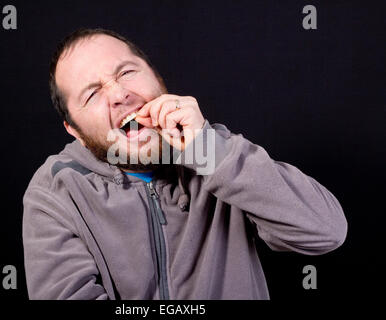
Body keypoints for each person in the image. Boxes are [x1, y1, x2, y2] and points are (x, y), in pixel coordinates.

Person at [22, 28, 347, 300]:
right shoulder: (55, 190)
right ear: (74, 131)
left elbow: (325, 232)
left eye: (127, 72)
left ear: (157, 78)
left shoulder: (216, 152)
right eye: (92, 94)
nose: (119, 94)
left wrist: (209, 151)